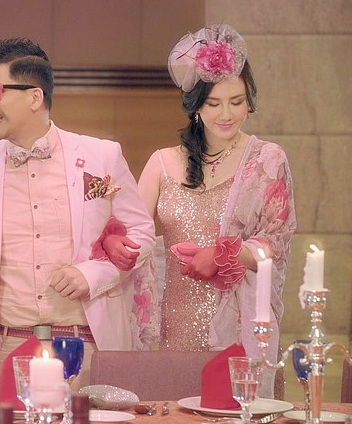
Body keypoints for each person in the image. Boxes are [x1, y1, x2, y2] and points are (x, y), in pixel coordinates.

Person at [0, 37, 156, 392]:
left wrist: (91, 274)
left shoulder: (101, 157)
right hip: (2, 348)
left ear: (34, 97)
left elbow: (142, 233)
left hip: (85, 346)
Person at [104, 24, 296, 398]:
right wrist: (113, 240)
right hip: (177, 323)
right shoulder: (162, 163)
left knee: (237, 410)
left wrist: (226, 256)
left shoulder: (267, 160)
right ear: (195, 107)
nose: (227, 114)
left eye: (237, 102)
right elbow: (131, 231)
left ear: (249, 101)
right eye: (214, 103)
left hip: (241, 328)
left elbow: (276, 239)